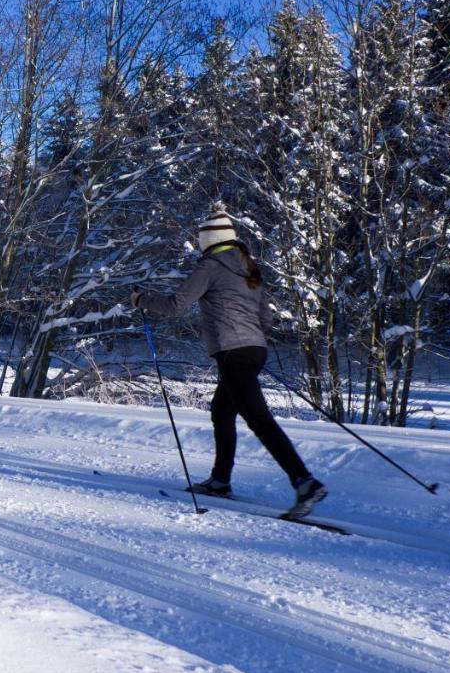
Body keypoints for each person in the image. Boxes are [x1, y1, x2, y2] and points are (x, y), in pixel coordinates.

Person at [132, 205, 328, 518]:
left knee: (259, 419)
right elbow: (266, 317)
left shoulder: (210, 266)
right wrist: (249, 341)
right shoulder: (248, 267)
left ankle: (305, 482)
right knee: (222, 411)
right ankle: (220, 480)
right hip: (253, 349)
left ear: (208, 240)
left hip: (234, 352)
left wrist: (141, 300)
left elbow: (176, 305)